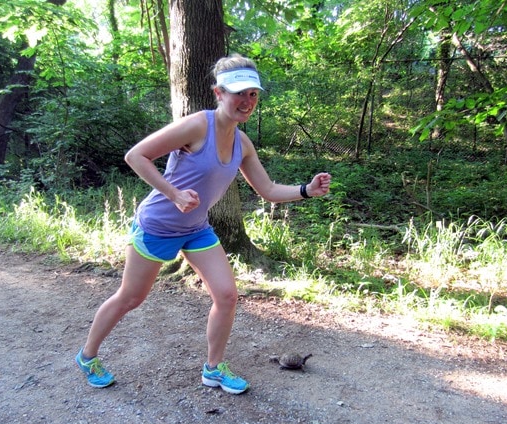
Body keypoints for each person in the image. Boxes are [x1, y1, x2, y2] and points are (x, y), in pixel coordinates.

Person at [76, 53, 331, 394]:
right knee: (130, 298)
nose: (247, 101)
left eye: (252, 94)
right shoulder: (198, 125)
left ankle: (214, 369)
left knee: (227, 295)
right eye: (239, 93)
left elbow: (268, 190)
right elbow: (136, 156)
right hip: (157, 226)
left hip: (196, 228)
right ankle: (87, 356)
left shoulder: (242, 143)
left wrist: (306, 191)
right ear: (219, 93)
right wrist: (174, 194)